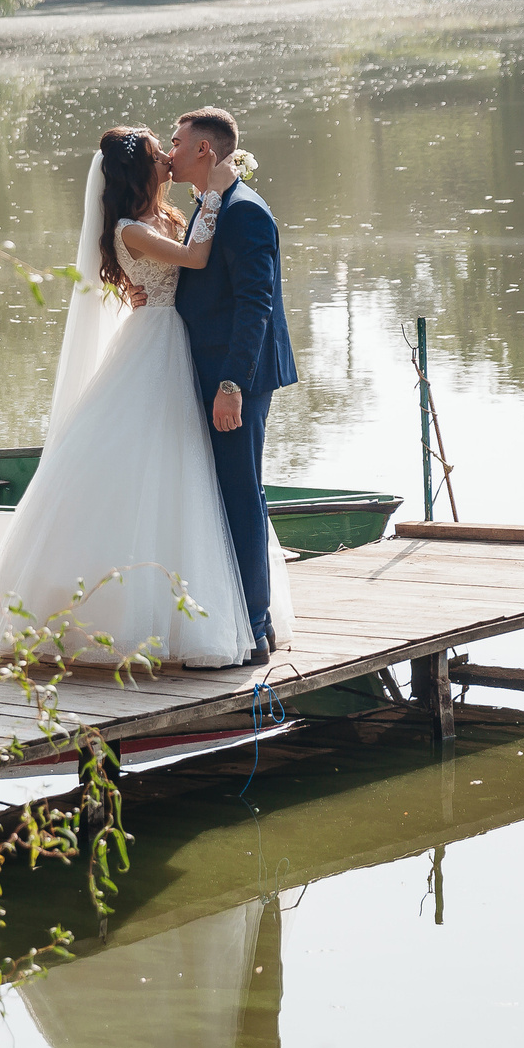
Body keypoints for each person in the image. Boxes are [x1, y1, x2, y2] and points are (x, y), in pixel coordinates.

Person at [0, 126, 294, 669]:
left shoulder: (181, 214)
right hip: (158, 352)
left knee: (201, 484)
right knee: (156, 477)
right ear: (139, 171)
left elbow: (214, 280)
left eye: (172, 146)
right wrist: (212, 195)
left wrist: (209, 199)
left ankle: (244, 620)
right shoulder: (136, 226)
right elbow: (194, 261)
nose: (168, 155)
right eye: (159, 152)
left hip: (189, 355)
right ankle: (158, 615)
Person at [168, 106, 299, 657]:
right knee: (223, 492)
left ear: (204, 149)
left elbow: (255, 304)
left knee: (241, 493)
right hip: (207, 370)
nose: (169, 152)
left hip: (234, 377)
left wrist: (232, 386)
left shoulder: (244, 211)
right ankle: (237, 619)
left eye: (176, 142)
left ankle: (256, 628)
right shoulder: (210, 204)